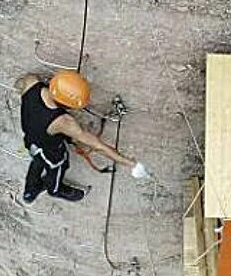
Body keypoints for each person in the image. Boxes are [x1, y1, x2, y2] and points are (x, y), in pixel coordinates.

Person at [15, 69, 148, 204]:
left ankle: (30, 191)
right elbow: (98, 146)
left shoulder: (31, 82)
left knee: (37, 161)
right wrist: (132, 164)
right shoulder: (63, 122)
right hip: (49, 149)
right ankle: (54, 189)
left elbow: (24, 86)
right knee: (57, 165)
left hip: (31, 137)